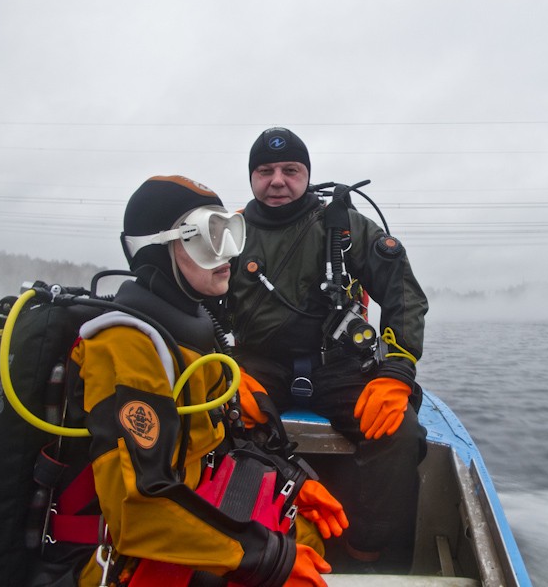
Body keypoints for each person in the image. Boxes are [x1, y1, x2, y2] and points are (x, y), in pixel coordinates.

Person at [69, 175, 346, 586]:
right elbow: (137, 510)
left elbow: (222, 436)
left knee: (308, 531)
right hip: (122, 551)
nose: (227, 255)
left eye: (228, 234)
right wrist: (267, 559)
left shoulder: (193, 328)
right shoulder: (126, 342)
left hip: (195, 494)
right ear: (156, 248)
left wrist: (292, 479)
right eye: (206, 237)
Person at [228, 128, 429, 571]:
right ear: (251, 177)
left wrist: (396, 372)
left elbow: (403, 295)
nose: (277, 180)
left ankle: (367, 558)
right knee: (214, 420)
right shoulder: (229, 232)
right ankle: (246, 547)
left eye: (290, 170)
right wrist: (218, 371)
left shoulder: (345, 226)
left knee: (401, 433)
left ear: (306, 175)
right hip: (258, 365)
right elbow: (195, 298)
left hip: (339, 365)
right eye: (265, 171)